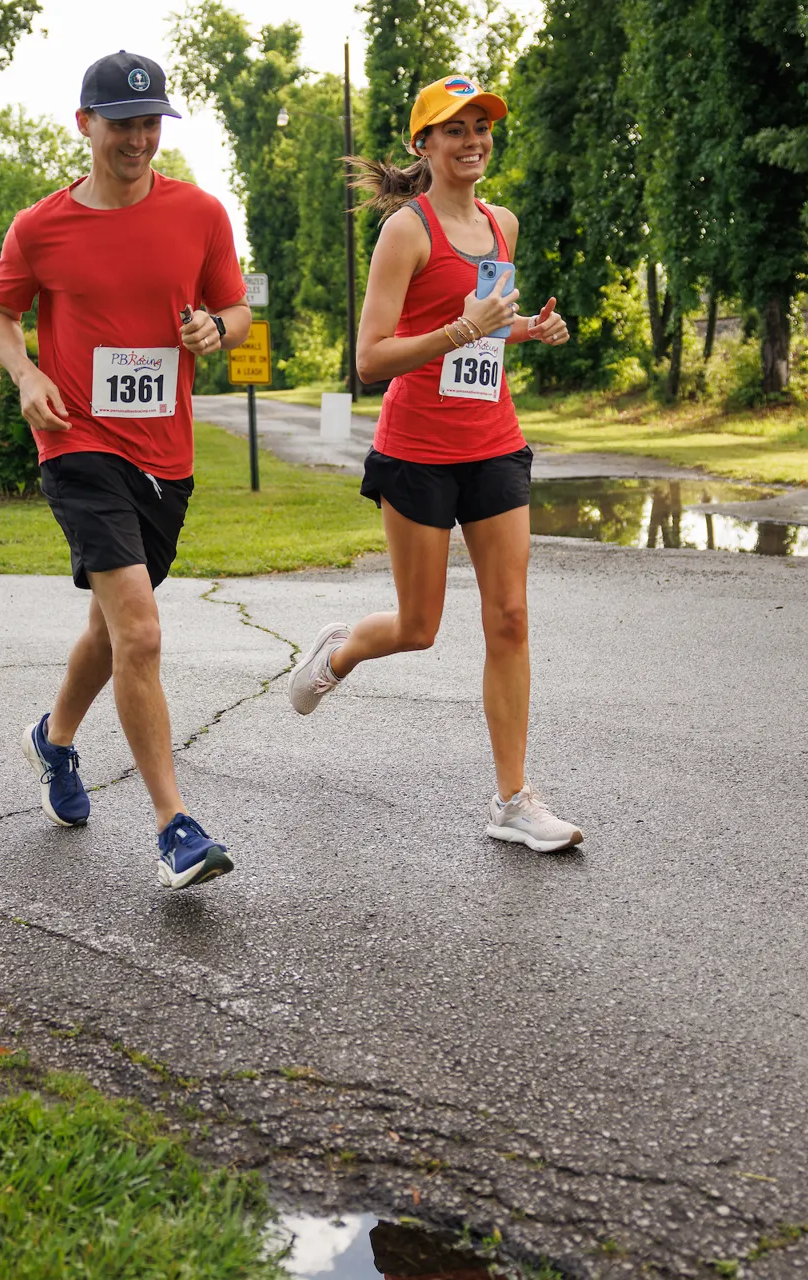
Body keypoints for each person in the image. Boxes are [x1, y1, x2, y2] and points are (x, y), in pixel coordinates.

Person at [284, 75, 580, 853]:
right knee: (418, 628)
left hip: (493, 443)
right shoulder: (405, 232)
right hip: (416, 452)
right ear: (423, 144)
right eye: (455, 129)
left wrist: (523, 329)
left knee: (508, 617)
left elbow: (484, 327)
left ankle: (512, 800)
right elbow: (369, 358)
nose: (472, 140)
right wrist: (461, 329)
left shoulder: (502, 223)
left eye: (481, 126)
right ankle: (339, 652)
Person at [0, 51, 251, 891]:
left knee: (110, 629)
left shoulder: (198, 213)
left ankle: (53, 740)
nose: (137, 140)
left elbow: (234, 308)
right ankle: (174, 827)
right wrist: (26, 375)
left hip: (166, 456)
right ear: (85, 124)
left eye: (149, 124)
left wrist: (216, 330)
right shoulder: (40, 227)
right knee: (140, 632)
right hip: (78, 444)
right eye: (122, 124)